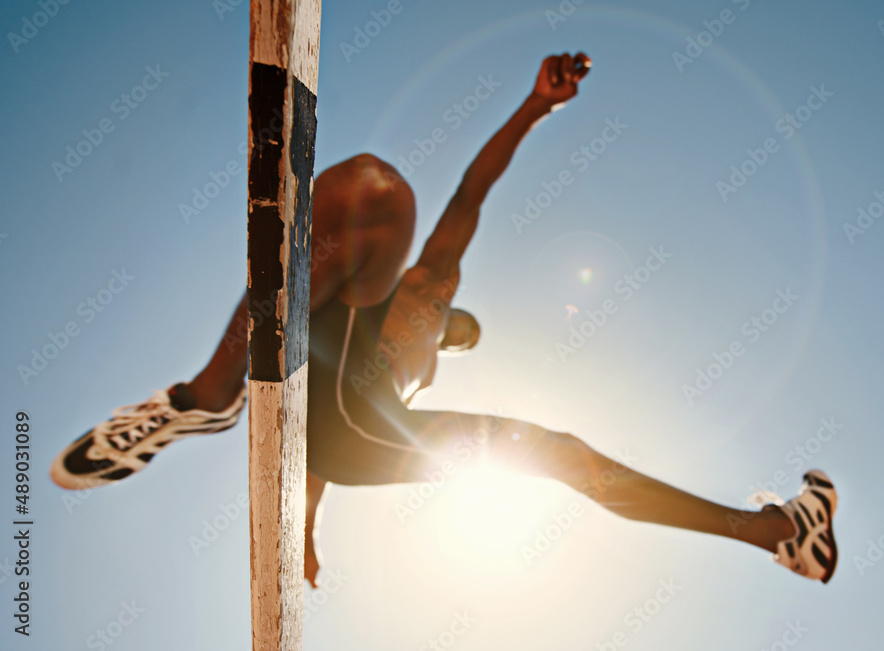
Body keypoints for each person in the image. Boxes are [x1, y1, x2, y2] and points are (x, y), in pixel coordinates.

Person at [50, 52, 839, 587]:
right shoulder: (427, 280)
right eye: (452, 320)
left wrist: (306, 523)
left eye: (451, 334)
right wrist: (535, 105)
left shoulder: (413, 352)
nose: (442, 325)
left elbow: (323, 447)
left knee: (561, 453)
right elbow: (471, 192)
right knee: (374, 185)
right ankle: (205, 397)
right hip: (308, 356)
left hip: (352, 423)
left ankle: (773, 534)